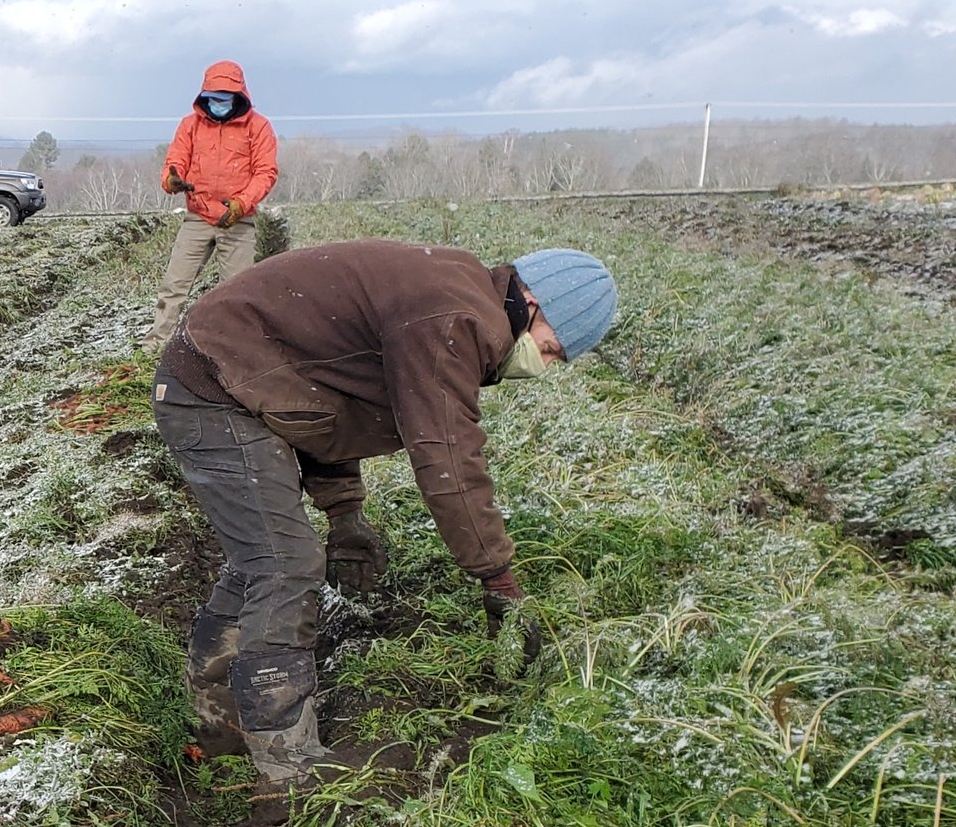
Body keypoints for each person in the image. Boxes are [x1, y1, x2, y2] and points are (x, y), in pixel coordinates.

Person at [153, 242, 618, 797]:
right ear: (535, 305)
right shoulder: (455, 319)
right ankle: (287, 762)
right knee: (284, 563)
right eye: (550, 350)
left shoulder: (454, 296)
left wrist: (344, 513)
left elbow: (326, 393)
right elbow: (447, 457)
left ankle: (214, 710)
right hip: (213, 387)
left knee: (264, 556)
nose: (543, 366)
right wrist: (498, 579)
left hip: (234, 376)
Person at [146, 62, 279, 349]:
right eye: (213, 96)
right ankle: (155, 347)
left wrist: (241, 204)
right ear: (204, 95)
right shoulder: (190, 126)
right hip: (198, 217)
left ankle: (233, 351)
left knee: (237, 294)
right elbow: (175, 161)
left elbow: (265, 172)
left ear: (238, 95)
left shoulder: (259, 127)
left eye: (225, 96)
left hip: (237, 219)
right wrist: (172, 179)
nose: (218, 102)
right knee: (174, 286)